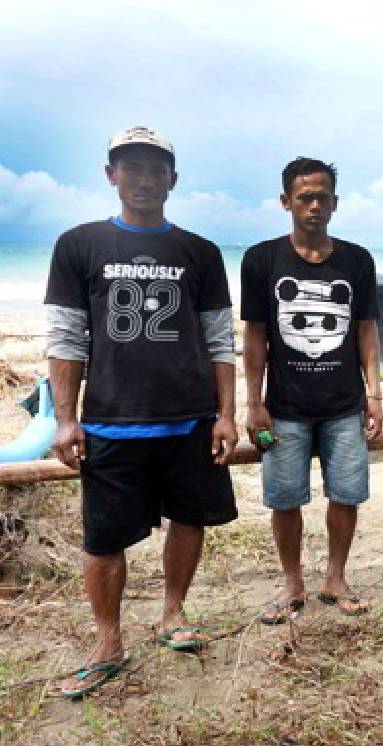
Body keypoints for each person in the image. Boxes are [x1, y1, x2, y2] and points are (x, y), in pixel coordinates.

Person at [44, 126, 238, 699]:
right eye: (132, 167)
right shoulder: (78, 246)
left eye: (157, 170)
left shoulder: (199, 252)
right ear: (111, 175)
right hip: (109, 419)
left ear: (173, 180)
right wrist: (64, 417)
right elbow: (66, 338)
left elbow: (219, 340)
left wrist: (227, 414)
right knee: (103, 540)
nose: (145, 180)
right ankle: (108, 639)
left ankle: (172, 614)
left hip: (191, 419)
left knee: (190, 518)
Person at [241, 157, 383, 624]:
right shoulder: (261, 260)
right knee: (285, 498)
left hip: (344, 405)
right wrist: (254, 402)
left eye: (323, 197)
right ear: (286, 202)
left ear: (336, 202)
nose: (314, 206)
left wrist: (375, 394)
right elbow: (256, 335)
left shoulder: (357, 260)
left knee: (346, 494)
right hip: (285, 408)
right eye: (304, 197)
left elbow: (366, 330)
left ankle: (336, 578)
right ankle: (292, 584)